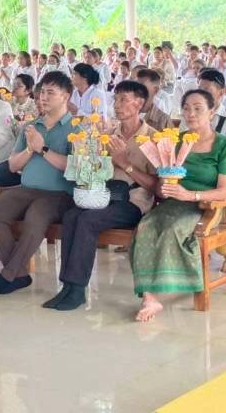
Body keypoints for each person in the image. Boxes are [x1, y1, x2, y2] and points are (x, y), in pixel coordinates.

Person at [47, 81, 159, 312]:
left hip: (133, 201)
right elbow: (94, 168)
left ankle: (78, 289)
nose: (116, 105)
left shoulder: (153, 138)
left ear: (139, 103)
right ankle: (67, 286)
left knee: (88, 220)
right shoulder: (107, 135)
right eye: (115, 99)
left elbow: (156, 186)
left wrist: (125, 165)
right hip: (104, 195)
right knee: (71, 216)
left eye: (123, 99)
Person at [131, 88, 226, 321]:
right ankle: (149, 296)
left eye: (198, 108)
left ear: (212, 111)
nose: (191, 114)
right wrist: (164, 187)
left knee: (172, 230)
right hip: (173, 203)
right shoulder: (174, 142)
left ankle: (160, 290)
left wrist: (190, 195)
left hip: (205, 206)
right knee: (145, 227)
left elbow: (224, 191)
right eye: (187, 108)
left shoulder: (225, 145)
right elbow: (162, 181)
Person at [0, 71, 78, 296]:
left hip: (59, 194)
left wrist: (43, 149)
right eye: (42, 92)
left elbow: (74, 167)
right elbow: (13, 166)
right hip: (26, 189)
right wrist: (30, 148)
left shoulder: (76, 128)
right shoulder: (32, 126)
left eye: (50, 93)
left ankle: (8, 275)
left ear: (65, 96)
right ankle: (19, 274)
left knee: (36, 215)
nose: (43, 97)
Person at [197, 69, 226, 141]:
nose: (201, 94)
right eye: (199, 90)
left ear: (221, 92)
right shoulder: (191, 115)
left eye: (207, 90)